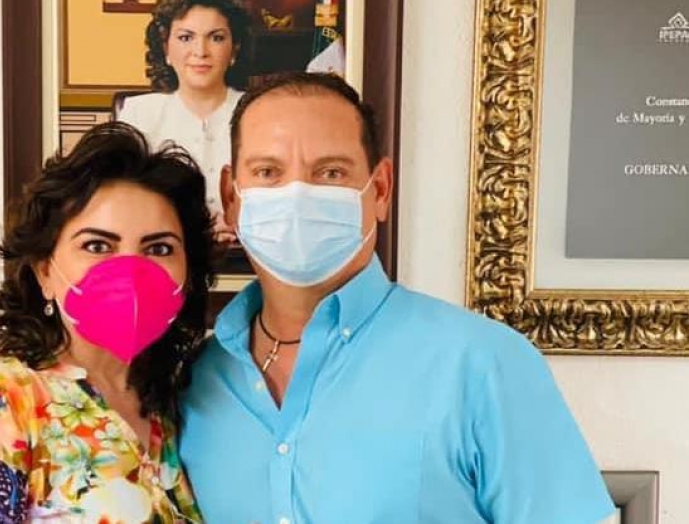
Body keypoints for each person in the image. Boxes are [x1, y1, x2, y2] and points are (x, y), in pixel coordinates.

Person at [179, 72, 615, 524]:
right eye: (268, 172)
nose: (297, 195)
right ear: (231, 196)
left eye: (330, 172)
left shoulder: (483, 363)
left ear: (381, 190)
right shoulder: (194, 382)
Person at [0, 122, 211, 524]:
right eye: (97, 245)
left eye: (159, 248)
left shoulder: (179, 405)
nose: (130, 269)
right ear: (44, 272)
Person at [117, 0, 251, 242]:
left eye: (216, 38)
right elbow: (122, 198)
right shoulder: (138, 114)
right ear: (166, 48)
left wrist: (241, 224)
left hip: (244, 251)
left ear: (234, 50)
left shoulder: (258, 111)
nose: (200, 51)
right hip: (161, 248)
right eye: (186, 37)